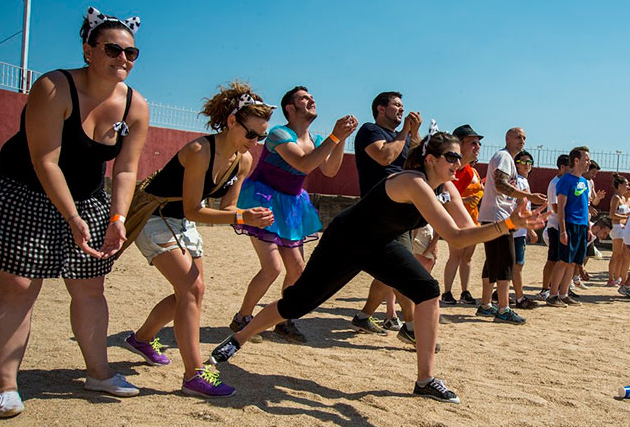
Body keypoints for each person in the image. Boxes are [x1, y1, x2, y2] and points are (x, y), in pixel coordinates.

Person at [206, 132, 549, 403]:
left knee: (427, 292)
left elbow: (462, 232)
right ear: (431, 159)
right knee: (298, 302)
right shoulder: (413, 182)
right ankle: (238, 338)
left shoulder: (445, 187)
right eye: (452, 157)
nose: (458, 163)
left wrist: (508, 223)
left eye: (460, 157)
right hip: (346, 240)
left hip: (381, 245)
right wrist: (505, 226)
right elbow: (455, 236)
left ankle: (425, 379)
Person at [0, 7, 149, 417]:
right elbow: (45, 160)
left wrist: (117, 218)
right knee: (20, 286)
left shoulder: (136, 106)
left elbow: (125, 170)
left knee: (90, 288)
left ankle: (99, 372)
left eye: (131, 53)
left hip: (88, 197)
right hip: (25, 191)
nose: (122, 59)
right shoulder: (54, 87)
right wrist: (72, 219)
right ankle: (5, 384)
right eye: (112, 49)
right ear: (88, 49)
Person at [126, 82, 276, 398]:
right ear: (232, 121)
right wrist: (241, 218)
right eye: (252, 134)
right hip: (155, 217)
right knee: (191, 290)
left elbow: (227, 208)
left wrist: (248, 215)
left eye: (261, 137)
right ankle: (194, 375)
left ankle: (142, 338)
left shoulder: (243, 160)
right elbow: (196, 210)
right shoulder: (199, 151)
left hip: (181, 221)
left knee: (192, 292)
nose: (255, 142)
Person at [229, 86, 358, 344]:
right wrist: (334, 135)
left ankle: (285, 320)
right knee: (272, 267)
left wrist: (341, 138)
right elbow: (304, 163)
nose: (311, 99)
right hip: (264, 201)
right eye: (304, 97)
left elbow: (330, 170)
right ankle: (243, 318)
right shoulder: (279, 134)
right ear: (290, 108)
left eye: (311, 96)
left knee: (298, 270)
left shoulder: (317, 141)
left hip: (292, 205)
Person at [351, 91, 423, 339]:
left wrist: (414, 134)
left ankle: (363, 317)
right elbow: (384, 157)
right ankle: (412, 327)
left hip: (401, 209)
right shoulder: (370, 131)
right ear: (381, 108)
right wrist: (404, 132)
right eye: (397, 105)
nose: (402, 110)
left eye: (403, 106)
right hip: (380, 209)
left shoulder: (401, 138)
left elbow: (421, 161)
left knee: (390, 268)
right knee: (402, 266)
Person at [476, 127, 547, 324]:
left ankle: (485, 304)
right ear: (507, 138)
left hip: (495, 215)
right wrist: (528, 196)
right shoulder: (504, 158)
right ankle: (503, 308)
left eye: (524, 137)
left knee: (493, 261)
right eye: (518, 136)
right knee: (506, 261)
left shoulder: (505, 159)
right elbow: (500, 185)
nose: (522, 140)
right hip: (498, 216)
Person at [441, 125, 483, 306]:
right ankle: (447, 292)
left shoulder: (468, 171)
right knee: (454, 255)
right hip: (452, 221)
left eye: (479, 143)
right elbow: (444, 197)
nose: (478, 146)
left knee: (467, 256)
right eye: (473, 142)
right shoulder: (446, 166)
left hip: (470, 219)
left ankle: (465, 291)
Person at [546, 146, 592, 307]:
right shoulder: (566, 180)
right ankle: (552, 295)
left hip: (581, 225)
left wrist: (588, 228)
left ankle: (564, 293)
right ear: (576, 160)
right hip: (570, 224)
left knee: (573, 262)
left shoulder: (584, 182)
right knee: (563, 260)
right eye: (586, 159)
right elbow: (561, 207)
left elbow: (584, 207)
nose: (589, 163)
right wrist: (563, 230)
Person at [538, 154, 571, 300]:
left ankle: (559, 288)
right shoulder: (555, 183)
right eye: (570, 167)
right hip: (554, 225)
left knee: (563, 259)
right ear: (562, 167)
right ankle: (545, 288)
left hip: (563, 224)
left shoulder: (566, 182)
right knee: (552, 259)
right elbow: (556, 207)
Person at [512, 150, 540, 309]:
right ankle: (520, 298)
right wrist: (529, 228)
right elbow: (519, 205)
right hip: (518, 228)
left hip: (517, 228)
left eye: (529, 162)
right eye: (523, 162)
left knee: (513, 263)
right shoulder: (519, 181)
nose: (527, 164)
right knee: (518, 264)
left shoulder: (522, 181)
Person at [606, 174, 630, 287]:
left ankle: (618, 277)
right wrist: (625, 216)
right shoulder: (616, 198)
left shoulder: (624, 198)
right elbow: (612, 214)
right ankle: (611, 278)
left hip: (624, 228)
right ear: (620, 185)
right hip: (617, 228)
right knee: (616, 254)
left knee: (623, 255)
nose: (627, 186)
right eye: (626, 184)